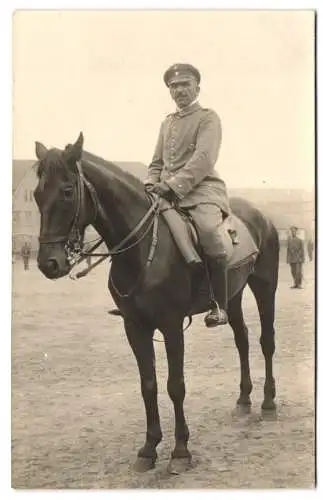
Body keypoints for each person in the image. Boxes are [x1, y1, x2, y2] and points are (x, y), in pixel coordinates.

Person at [145, 63, 231, 328]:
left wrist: (171, 185)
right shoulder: (167, 122)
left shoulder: (208, 117)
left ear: (197, 88)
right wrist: (150, 182)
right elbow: (157, 162)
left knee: (207, 231)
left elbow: (203, 159)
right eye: (174, 86)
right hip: (167, 193)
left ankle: (219, 305)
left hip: (202, 190)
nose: (179, 90)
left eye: (185, 84)